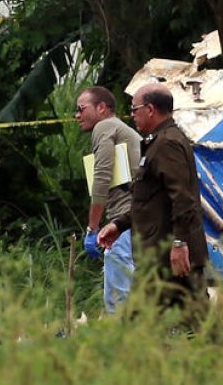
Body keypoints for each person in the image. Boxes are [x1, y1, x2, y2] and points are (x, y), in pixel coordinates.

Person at [97, 84, 207, 317]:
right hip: (161, 254)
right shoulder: (158, 142)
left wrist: (179, 244)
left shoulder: (167, 144)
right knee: (199, 323)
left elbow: (182, 198)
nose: (132, 115)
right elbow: (150, 200)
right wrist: (120, 224)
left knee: (140, 323)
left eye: (134, 109)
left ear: (150, 109)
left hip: (168, 255)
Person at [75, 85, 142, 314]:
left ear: (102, 107)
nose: (77, 115)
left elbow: (102, 176)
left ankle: (124, 347)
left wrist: (92, 228)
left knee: (118, 298)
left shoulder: (105, 126)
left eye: (81, 108)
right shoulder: (124, 130)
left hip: (123, 219)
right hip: (138, 218)